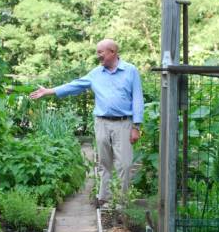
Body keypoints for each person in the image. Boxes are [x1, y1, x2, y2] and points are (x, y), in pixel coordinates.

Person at [30, 39, 144, 207]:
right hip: (102, 123)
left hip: (123, 124)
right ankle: (103, 198)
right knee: (105, 163)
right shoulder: (96, 73)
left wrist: (136, 126)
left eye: (101, 52)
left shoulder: (130, 71)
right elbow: (75, 85)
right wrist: (50, 91)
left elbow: (138, 99)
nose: (98, 55)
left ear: (112, 52)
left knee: (125, 165)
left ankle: (122, 202)